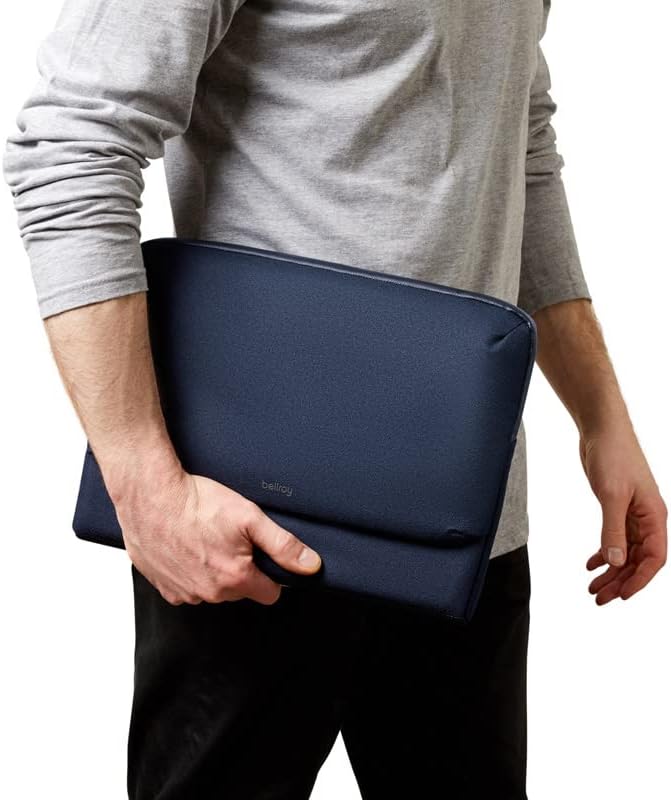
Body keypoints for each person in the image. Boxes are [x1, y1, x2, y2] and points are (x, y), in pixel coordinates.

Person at [3, 1, 667, 798]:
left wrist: (602, 420)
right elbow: (72, 143)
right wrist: (143, 487)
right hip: (248, 525)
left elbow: (517, 148)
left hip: (460, 518)